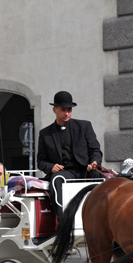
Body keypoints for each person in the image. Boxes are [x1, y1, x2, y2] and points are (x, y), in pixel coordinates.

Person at [37, 91, 102, 220]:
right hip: (65, 172)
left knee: (100, 176)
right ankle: (63, 220)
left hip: (85, 170)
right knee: (56, 179)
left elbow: (95, 150)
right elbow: (40, 161)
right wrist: (51, 167)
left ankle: (102, 217)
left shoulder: (84, 126)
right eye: (63, 110)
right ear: (55, 110)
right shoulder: (45, 134)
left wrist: (94, 162)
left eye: (69, 110)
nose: (66, 113)